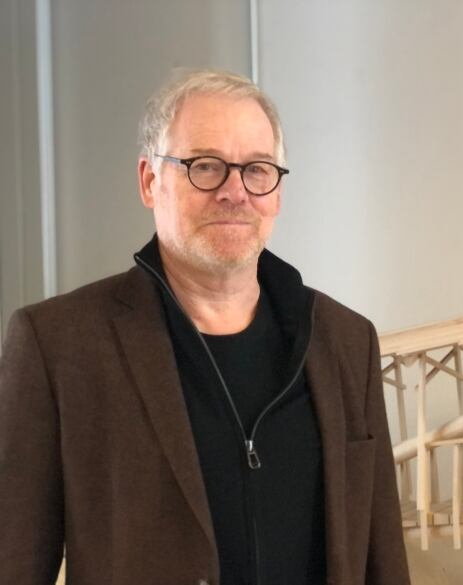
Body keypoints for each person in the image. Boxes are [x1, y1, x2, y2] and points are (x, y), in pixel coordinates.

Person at [0, 69, 410, 585]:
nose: (235, 192)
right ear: (150, 181)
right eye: (206, 166)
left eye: (257, 169)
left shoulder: (348, 341)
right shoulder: (57, 345)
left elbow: (382, 561)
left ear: (277, 192)